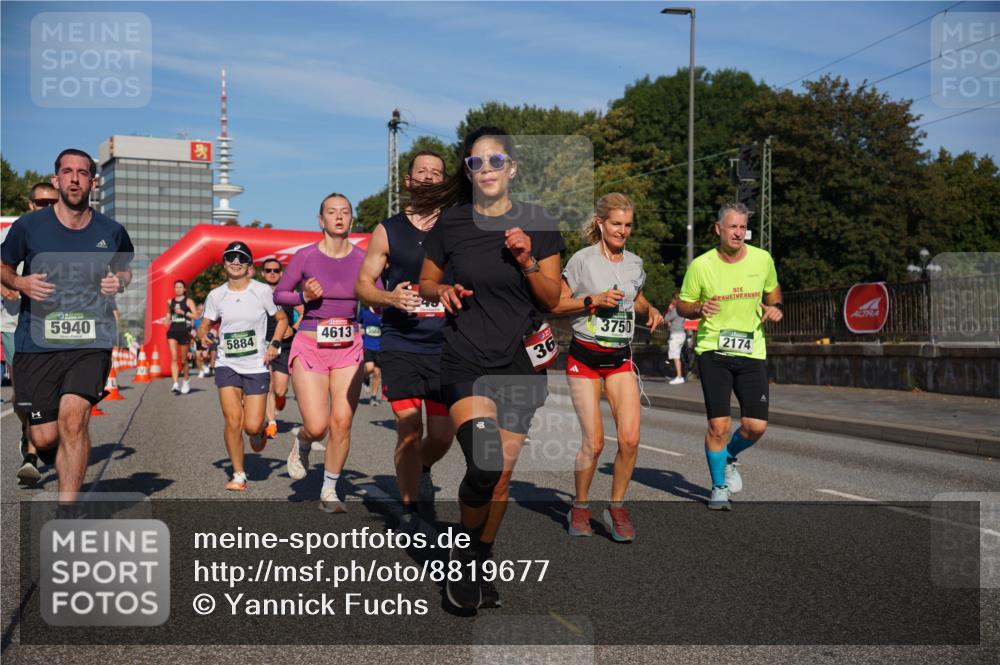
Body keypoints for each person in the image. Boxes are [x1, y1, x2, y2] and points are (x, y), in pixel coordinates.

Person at [417, 127, 564, 610]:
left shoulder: (539, 223)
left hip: (520, 363)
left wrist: (525, 259)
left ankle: (478, 555)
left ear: (513, 168)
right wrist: (441, 292)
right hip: (465, 358)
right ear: (468, 170)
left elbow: (553, 299)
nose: (486, 170)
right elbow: (425, 281)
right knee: (484, 463)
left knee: (501, 477)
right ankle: (463, 558)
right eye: (476, 163)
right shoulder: (451, 224)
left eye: (496, 161)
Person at [0, 149, 134, 501]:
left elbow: (125, 269)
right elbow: (3, 267)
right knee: (44, 437)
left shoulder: (112, 231)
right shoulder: (28, 227)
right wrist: (20, 283)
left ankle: (67, 513)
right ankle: (44, 451)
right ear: (57, 179)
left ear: (93, 181)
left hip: (90, 340)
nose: (74, 178)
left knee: (74, 419)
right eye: (67, 172)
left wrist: (118, 281)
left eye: (82, 172)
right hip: (36, 343)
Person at [553, 192, 663, 541]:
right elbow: (556, 303)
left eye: (628, 225)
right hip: (584, 358)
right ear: (601, 223)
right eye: (616, 224)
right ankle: (580, 507)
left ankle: (616, 506)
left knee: (630, 439)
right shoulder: (582, 261)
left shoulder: (634, 263)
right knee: (596, 442)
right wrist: (592, 300)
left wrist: (651, 310)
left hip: (619, 360)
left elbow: (636, 296)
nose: (623, 231)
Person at [355, 150, 455, 528]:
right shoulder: (388, 230)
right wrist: (390, 297)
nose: (428, 177)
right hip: (402, 343)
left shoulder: (458, 226)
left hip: (447, 345)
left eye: (436, 173)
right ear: (408, 181)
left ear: (443, 182)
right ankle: (411, 511)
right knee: (410, 428)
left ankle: (423, 467)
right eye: (421, 172)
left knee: (443, 435)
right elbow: (362, 285)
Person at [677, 202, 783, 511]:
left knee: (755, 426)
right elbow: (684, 304)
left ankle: (729, 457)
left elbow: (773, 292)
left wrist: (775, 307)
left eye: (742, 227)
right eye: (732, 227)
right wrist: (698, 308)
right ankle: (718, 487)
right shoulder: (701, 265)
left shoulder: (762, 260)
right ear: (718, 229)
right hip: (714, 350)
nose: (738, 233)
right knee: (719, 426)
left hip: (752, 350)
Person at [275, 192, 366, 514]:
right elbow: (279, 294)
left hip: (349, 343)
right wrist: (303, 295)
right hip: (312, 341)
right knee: (317, 426)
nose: (339, 217)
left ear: (351, 219)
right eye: (332, 212)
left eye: (345, 212)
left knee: (341, 421)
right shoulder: (305, 256)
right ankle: (302, 442)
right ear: (321, 220)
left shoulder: (363, 258)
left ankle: (330, 489)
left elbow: (379, 295)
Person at [197, 241, 287, 491]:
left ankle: (257, 431)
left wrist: (274, 344)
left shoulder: (262, 291)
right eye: (230, 257)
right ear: (224, 262)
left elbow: (281, 319)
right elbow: (205, 323)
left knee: (251, 426)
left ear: (249, 264)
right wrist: (202, 334)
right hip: (227, 363)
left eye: (241, 257)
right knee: (232, 420)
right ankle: (238, 473)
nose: (235, 261)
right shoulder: (216, 295)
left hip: (256, 364)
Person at [7, 182, 60, 484]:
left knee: (48, 395)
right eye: (40, 203)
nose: (46, 207)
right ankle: (32, 437)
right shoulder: (12, 233)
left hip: (48, 327)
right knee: (20, 398)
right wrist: (12, 283)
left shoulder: (64, 235)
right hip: (11, 325)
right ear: (30, 205)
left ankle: (32, 454)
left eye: (52, 202)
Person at [259, 257, 301, 439]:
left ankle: (280, 398)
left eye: (276, 270)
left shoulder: (288, 293)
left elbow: (305, 312)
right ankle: (271, 423)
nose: (272, 273)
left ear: (281, 273)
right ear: (263, 273)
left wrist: (294, 327)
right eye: (268, 270)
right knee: (267, 385)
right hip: (263, 343)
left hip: (284, 345)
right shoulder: (256, 292)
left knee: (280, 389)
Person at [166, 280, 196, 394]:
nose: (178, 289)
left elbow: (196, 315)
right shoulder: (170, 302)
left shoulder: (188, 301)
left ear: (184, 289)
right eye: (176, 287)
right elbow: (168, 314)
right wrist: (166, 320)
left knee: (183, 361)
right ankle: (175, 383)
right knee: (174, 357)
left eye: (180, 287)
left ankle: (186, 379)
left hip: (184, 331)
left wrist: (183, 312)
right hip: (173, 331)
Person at [358, 304, 382, 406]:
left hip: (380, 346)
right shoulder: (364, 311)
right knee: (369, 367)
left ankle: (373, 397)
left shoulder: (383, 311)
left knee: (377, 373)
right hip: (367, 344)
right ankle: (365, 378)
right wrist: (359, 331)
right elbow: (359, 323)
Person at [664, 292, 687, 384]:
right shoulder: (682, 309)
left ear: (675, 299)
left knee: (675, 355)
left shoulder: (675, 310)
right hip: (681, 333)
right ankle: (678, 375)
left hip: (676, 334)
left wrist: (669, 310)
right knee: (677, 355)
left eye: (672, 299)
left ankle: (679, 376)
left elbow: (666, 319)